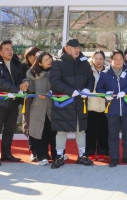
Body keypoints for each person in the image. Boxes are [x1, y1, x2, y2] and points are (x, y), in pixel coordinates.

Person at [49, 39, 95, 169]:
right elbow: (54, 81)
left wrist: (88, 89)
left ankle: (82, 155)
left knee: (81, 130)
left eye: (78, 47)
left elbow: (90, 78)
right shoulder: (58, 63)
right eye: (74, 47)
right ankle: (59, 156)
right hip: (63, 103)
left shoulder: (84, 63)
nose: (77, 50)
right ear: (66, 49)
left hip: (80, 102)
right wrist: (70, 91)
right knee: (61, 130)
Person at [0, 40, 29, 166]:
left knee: (9, 129)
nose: (10, 51)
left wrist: (23, 83)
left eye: (11, 49)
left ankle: (6, 153)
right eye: (6, 49)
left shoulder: (16, 62)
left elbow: (21, 77)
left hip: (13, 102)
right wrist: (16, 89)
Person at [96, 50, 127, 167]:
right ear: (111, 60)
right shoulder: (105, 73)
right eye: (116, 59)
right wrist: (106, 94)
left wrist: (125, 91)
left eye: (121, 59)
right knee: (113, 135)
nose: (119, 61)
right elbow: (99, 88)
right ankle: (114, 158)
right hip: (112, 109)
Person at [26, 51, 57, 166]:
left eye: (50, 59)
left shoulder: (56, 72)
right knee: (39, 131)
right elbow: (30, 88)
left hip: (53, 106)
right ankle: (42, 156)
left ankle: (57, 155)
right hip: (38, 106)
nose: (49, 61)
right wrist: (26, 84)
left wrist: (52, 92)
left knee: (53, 131)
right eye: (46, 60)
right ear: (39, 63)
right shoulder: (32, 73)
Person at [85, 50, 109, 161]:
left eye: (101, 59)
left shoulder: (108, 71)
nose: (98, 61)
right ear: (92, 59)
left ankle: (102, 152)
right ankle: (90, 151)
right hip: (91, 104)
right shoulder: (88, 71)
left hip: (105, 105)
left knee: (104, 130)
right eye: (96, 58)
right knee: (91, 130)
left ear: (104, 60)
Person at [20, 46, 40, 162]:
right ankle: (33, 150)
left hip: (42, 99)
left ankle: (42, 150)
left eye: (34, 56)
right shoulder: (24, 67)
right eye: (29, 57)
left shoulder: (44, 67)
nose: (32, 59)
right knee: (30, 124)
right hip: (29, 99)